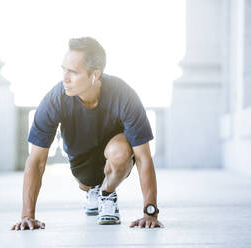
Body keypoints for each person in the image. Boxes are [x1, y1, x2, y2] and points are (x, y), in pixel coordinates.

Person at [11, 37, 164, 231]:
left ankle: (107, 194)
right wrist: (27, 216)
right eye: (64, 69)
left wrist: (150, 213)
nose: (65, 78)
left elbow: (143, 157)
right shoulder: (54, 100)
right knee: (87, 183)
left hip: (116, 159)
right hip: (82, 167)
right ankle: (93, 191)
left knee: (120, 151)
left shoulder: (124, 95)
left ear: (95, 75)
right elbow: (36, 160)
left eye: (73, 72)